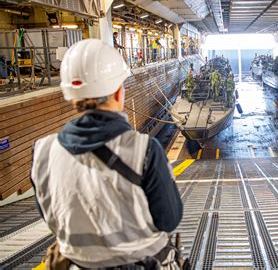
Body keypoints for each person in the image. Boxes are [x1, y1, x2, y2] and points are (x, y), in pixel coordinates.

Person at [31, 39, 183, 268]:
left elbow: (50, 214)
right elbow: (169, 219)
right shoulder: (144, 150)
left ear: (71, 97)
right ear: (119, 93)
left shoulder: (43, 151)